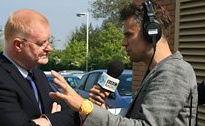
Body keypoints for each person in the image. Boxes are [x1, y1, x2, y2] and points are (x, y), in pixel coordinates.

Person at [48, 0, 198, 126]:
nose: (123, 43)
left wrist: (84, 106)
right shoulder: (157, 71)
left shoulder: (174, 72)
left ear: (152, 32)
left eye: (128, 35)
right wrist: (101, 111)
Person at [0, 9, 80, 126]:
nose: (49, 48)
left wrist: (45, 121)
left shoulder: (39, 76)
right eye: (41, 43)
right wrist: (52, 120)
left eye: (48, 41)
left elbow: (74, 114)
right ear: (18, 45)